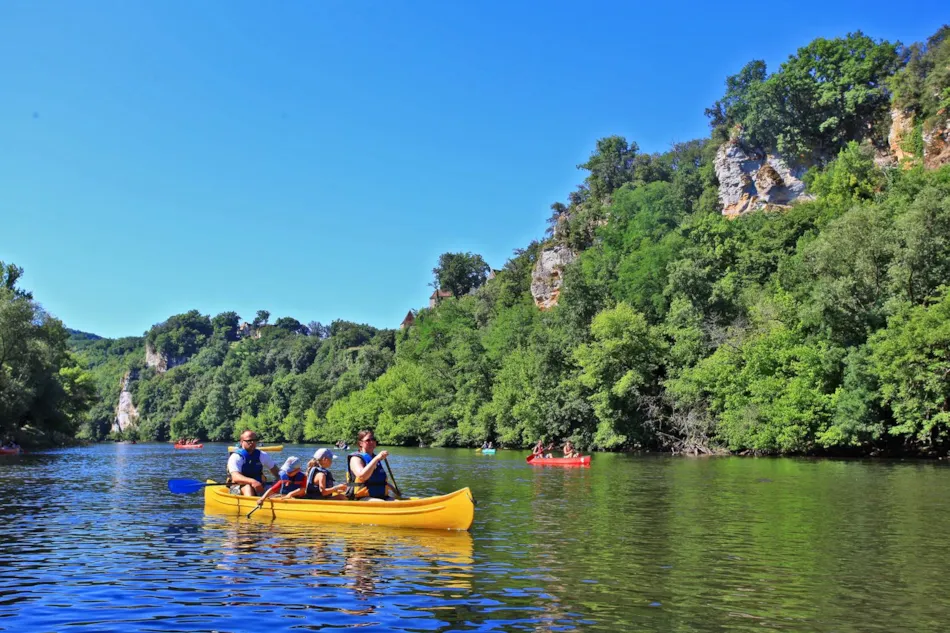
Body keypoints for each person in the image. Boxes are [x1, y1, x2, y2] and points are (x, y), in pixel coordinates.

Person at [347, 429, 397, 500]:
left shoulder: (375, 458)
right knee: (385, 505)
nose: (371, 442)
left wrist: (395, 490)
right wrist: (376, 459)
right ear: (361, 443)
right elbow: (362, 476)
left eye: (373, 439)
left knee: (399, 504)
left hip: (381, 496)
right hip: (361, 498)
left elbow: (378, 482)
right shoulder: (356, 458)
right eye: (368, 440)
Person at [227, 430, 279, 496]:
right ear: (241, 442)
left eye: (254, 440)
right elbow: (235, 477)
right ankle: (250, 504)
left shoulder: (262, 455)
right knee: (248, 488)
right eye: (249, 441)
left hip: (258, 484)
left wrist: (284, 479)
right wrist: (252, 481)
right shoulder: (236, 457)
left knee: (278, 487)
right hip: (238, 486)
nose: (252, 442)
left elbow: (276, 471)